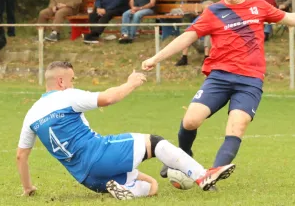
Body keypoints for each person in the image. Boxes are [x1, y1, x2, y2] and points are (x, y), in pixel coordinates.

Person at [141, 0, 295, 180]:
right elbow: (187, 37)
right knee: (190, 121)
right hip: (220, 77)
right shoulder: (213, 12)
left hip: (250, 80)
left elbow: (291, 19)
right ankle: (183, 154)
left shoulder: (259, 6)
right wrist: (156, 58)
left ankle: (211, 174)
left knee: (237, 126)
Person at [16, 61, 236, 200]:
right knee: (156, 142)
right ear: (61, 81)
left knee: (152, 186)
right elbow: (109, 98)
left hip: (87, 179)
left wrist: (28, 188)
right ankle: (202, 176)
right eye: (72, 80)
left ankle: (127, 190)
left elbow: (21, 156)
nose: (74, 84)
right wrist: (131, 82)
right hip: (100, 154)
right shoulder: (67, 96)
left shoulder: (31, 115)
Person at [175, 1, 214, 66]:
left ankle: (206, 58)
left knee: (208, 34)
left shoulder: (217, 19)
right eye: (206, 9)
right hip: (199, 42)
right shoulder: (199, 18)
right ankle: (184, 58)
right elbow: (189, 29)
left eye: (210, 9)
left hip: (212, 45)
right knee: (188, 34)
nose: (208, 11)